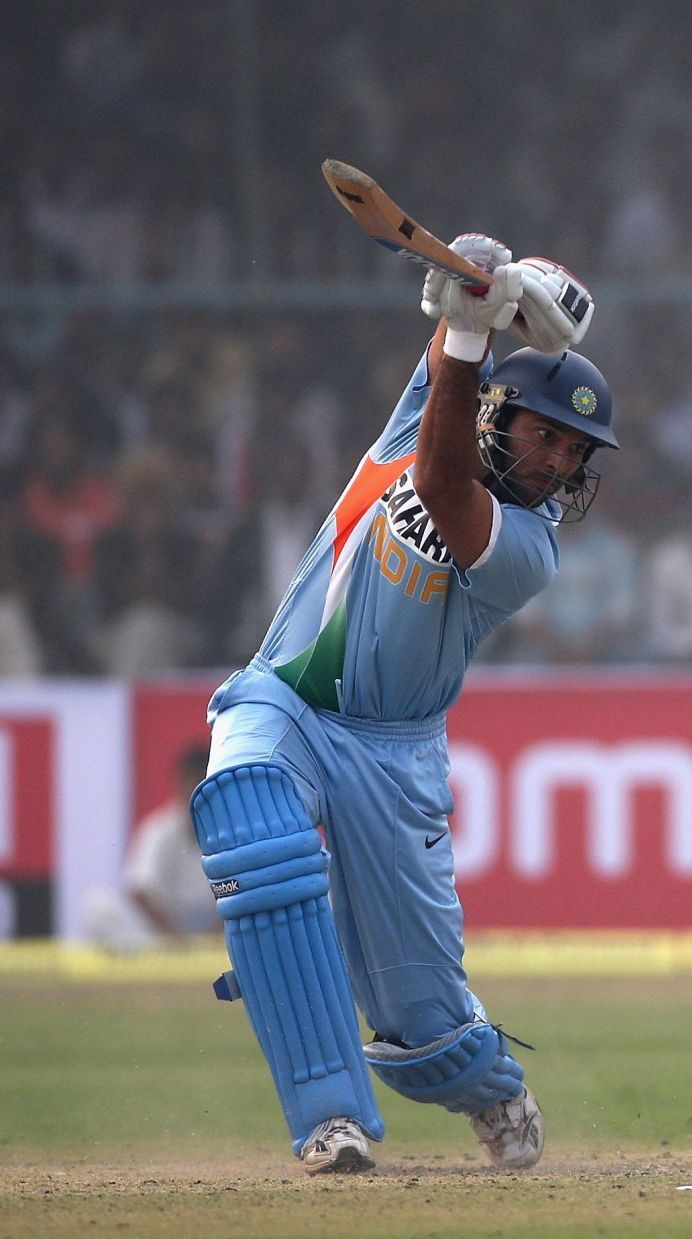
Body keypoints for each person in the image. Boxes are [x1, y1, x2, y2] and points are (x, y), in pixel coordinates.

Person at [190, 236, 606, 1174]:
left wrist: (470, 333)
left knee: (421, 1016)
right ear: (501, 412)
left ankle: (488, 1083)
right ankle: (329, 1119)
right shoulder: (425, 411)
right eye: (546, 433)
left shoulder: (526, 548)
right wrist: (487, 283)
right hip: (282, 699)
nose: (557, 462)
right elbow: (446, 374)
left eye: (575, 451)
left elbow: (440, 480)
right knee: (254, 823)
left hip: (392, 753)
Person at [83, 744, 218, 950]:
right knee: (98, 908)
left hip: (218, 939)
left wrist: (214, 935)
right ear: (180, 785)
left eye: (203, 784)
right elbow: (141, 891)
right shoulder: (159, 830)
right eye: (192, 783)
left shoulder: (235, 831)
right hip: (166, 938)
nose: (197, 793)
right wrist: (177, 938)